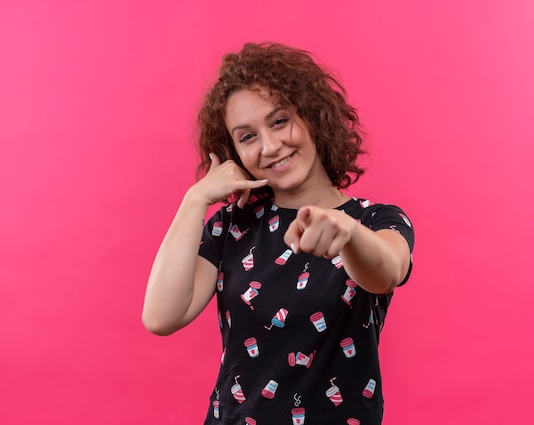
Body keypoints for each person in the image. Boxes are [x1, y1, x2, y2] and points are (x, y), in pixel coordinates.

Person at [142, 42, 414, 425]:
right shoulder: (229, 227)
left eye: (279, 121)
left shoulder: (375, 220)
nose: (271, 146)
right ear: (234, 151)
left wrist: (348, 233)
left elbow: (387, 271)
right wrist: (195, 199)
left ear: (312, 116)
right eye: (247, 136)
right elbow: (160, 316)